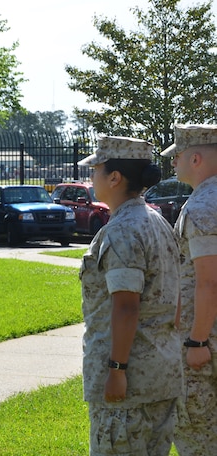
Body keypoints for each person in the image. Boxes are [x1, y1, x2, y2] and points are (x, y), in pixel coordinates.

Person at [78, 136, 182, 455]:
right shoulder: (156, 221)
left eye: (95, 169)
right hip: (160, 373)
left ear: (114, 177)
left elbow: (126, 307)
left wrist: (117, 371)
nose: (90, 177)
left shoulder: (124, 229)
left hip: (131, 384)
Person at [160, 124, 217, 455]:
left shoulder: (202, 207)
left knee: (199, 436)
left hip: (206, 344)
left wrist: (197, 340)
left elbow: (209, 280)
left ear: (195, 158)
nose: (173, 164)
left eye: (177, 156)